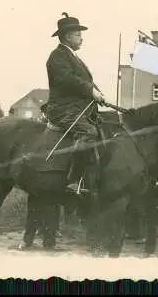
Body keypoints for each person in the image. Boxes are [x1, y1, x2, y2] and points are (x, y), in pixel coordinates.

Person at [45, 12, 105, 197]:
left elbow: (82, 80)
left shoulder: (72, 56)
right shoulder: (57, 57)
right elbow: (67, 80)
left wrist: (98, 93)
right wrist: (91, 91)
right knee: (88, 132)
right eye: (78, 35)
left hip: (78, 108)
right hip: (63, 109)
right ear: (67, 36)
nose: (81, 38)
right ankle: (73, 180)